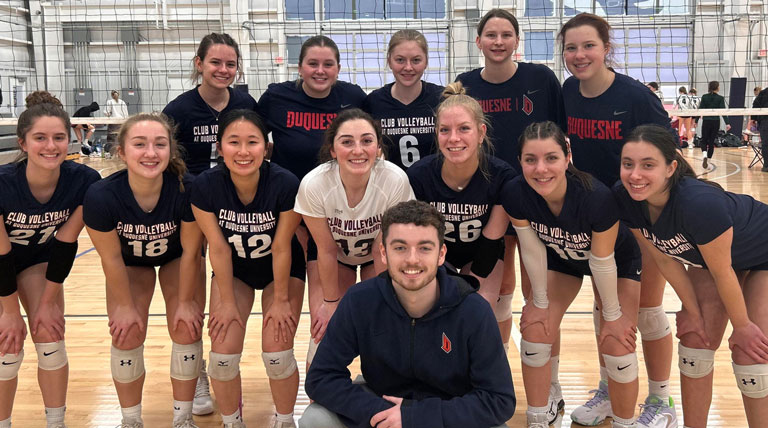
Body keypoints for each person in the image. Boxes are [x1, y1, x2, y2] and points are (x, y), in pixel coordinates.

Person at [559, 13, 678, 427]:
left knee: (646, 310)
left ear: (607, 48)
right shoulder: (568, 92)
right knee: (605, 309)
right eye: (571, 47)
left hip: (643, 215)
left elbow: (669, 155)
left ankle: (662, 400)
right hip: (598, 219)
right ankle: (612, 389)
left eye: (588, 45)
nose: (579, 55)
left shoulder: (636, 97)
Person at [299, 200, 516, 428]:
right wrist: (386, 414)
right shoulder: (360, 301)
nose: (412, 259)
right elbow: (320, 378)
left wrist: (416, 417)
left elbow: (499, 399)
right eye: (400, 248)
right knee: (315, 420)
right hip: (381, 409)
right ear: (383, 253)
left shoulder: (473, 310)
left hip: (446, 414)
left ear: (441, 254)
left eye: (424, 248)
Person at [614, 124, 768, 428]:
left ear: (671, 168)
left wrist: (743, 326)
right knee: (695, 338)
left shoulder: (698, 204)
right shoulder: (625, 197)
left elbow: (724, 273)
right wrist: (693, 312)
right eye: (628, 164)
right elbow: (663, 258)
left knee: (751, 352)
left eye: (648, 165)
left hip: (762, 252)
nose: (635, 175)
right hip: (713, 263)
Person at [501, 121, 641, 428]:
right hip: (564, 260)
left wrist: (613, 315)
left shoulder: (596, 197)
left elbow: (602, 261)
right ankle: (539, 417)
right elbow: (532, 248)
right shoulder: (515, 193)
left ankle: (625, 422)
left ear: (567, 156)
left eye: (551, 158)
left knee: (617, 343)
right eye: (530, 160)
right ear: (520, 161)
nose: (541, 169)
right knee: (537, 328)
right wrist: (538, 302)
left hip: (618, 262)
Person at [456, 8, 567, 374]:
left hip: (539, 198)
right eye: (491, 35)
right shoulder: (465, 83)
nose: (498, 42)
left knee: (540, 294)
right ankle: (494, 366)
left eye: (506, 35)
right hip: (490, 201)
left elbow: (562, 137)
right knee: (499, 287)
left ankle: (550, 382)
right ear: (479, 41)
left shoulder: (541, 77)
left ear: (517, 41)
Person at [82, 113, 204, 428]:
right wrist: (123, 306)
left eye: (159, 144)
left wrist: (188, 302)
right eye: (140, 144)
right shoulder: (101, 196)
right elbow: (110, 259)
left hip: (178, 258)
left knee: (186, 325)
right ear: (121, 151)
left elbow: (192, 251)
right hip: (130, 263)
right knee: (127, 332)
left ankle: (182, 418)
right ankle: (131, 420)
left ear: (171, 150)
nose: (150, 153)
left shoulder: (186, 188)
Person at [189, 109, 306, 428]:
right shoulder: (204, 187)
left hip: (279, 270)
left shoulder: (284, 183)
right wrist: (225, 302)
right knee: (222, 358)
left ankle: (284, 421)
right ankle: (232, 422)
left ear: (265, 148)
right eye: (234, 142)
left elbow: (283, 246)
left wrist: (281, 299)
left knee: (277, 352)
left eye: (252, 142)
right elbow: (219, 247)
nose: (243, 151)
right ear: (219, 146)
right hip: (235, 270)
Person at [0, 91, 100, 428]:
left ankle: (56, 423)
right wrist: (11, 313)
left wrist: (45, 304)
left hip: (39, 260)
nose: (51, 146)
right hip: (2, 263)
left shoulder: (84, 182)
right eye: (40, 138)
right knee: (7, 347)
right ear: (23, 143)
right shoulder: (3, 185)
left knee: (49, 334)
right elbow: (1, 255)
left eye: (59, 137)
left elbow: (64, 245)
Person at [293, 108, 413, 368]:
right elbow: (324, 249)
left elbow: (385, 248)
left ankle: (382, 390)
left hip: (376, 256)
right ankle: (321, 395)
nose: (358, 150)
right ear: (333, 150)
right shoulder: (314, 184)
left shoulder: (394, 180)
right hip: (335, 257)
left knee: (384, 324)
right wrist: (331, 303)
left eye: (367, 141)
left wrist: (387, 301)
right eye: (347, 142)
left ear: (378, 148)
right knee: (325, 329)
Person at [407, 82, 514, 316]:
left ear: (481, 133)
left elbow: (490, 245)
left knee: (479, 309)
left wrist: (467, 290)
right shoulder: (419, 176)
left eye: (464, 128)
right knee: (429, 308)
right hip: (436, 253)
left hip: (480, 253)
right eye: (444, 130)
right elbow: (422, 240)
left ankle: (497, 352)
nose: (453, 138)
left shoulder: (501, 176)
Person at [259, 35, 367, 181]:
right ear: (300, 67)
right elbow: (252, 137)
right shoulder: (276, 97)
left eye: (328, 64)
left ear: (338, 69)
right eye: (313, 64)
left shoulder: (353, 97)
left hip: (340, 191)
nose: (320, 71)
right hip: (288, 191)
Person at [163, 33, 259, 176]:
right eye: (215, 62)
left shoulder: (246, 104)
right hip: (193, 189)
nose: (223, 70)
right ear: (199, 64)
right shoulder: (178, 109)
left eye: (231, 64)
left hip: (238, 187)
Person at [362, 29, 443, 170]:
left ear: (426, 62)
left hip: (432, 188)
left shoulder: (442, 99)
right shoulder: (373, 102)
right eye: (400, 60)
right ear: (389, 61)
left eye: (416, 60)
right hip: (389, 187)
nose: (408, 67)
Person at [697, 80, 731, 169]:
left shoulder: (704, 97)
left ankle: (704, 155)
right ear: (717, 87)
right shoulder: (720, 98)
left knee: (703, 140)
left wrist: (696, 121)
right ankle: (708, 161)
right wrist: (727, 123)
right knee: (711, 142)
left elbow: (700, 109)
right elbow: (723, 111)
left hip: (706, 121)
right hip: (715, 121)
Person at [749, 85, 768, 172]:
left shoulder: (763, 93)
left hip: (764, 121)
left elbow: (755, 105)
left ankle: (766, 166)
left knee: (765, 143)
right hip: (764, 120)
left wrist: (753, 118)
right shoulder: (763, 93)